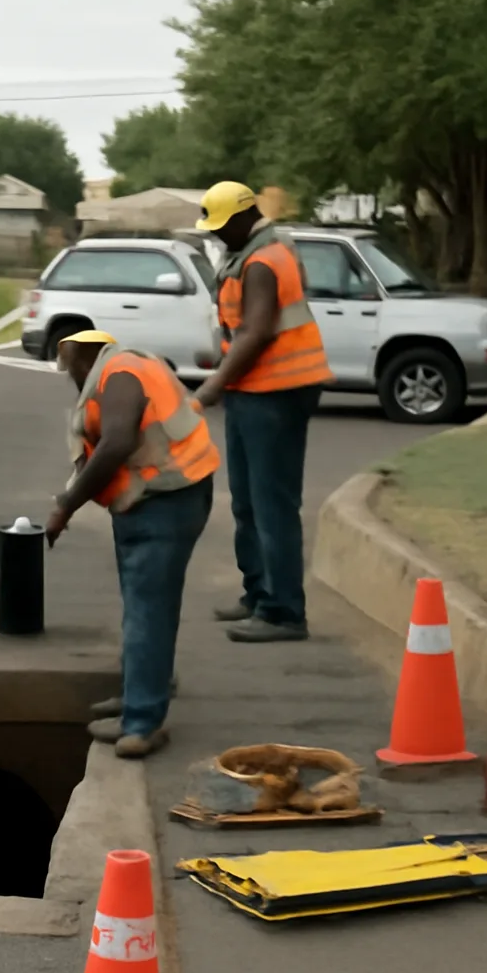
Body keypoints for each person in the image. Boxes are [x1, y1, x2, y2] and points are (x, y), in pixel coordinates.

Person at [45, 330, 219, 758]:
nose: (71, 378)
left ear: (80, 356)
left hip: (165, 500)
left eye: (69, 367)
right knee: (144, 604)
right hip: (160, 496)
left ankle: (144, 722)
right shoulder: (128, 366)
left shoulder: (118, 374)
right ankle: (139, 692)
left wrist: (66, 506)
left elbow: (117, 442)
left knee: (148, 609)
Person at [194, 181, 333, 643]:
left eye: (220, 228)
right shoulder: (253, 251)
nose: (216, 236)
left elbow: (256, 332)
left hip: (278, 391)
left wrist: (212, 386)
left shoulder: (264, 259)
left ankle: (284, 611)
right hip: (254, 389)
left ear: (242, 217)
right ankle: (258, 593)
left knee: (272, 503)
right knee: (248, 500)